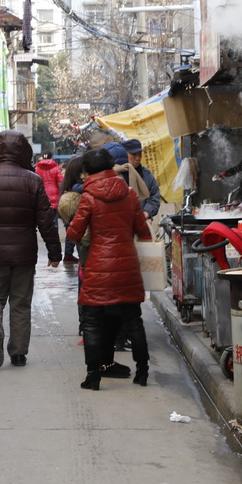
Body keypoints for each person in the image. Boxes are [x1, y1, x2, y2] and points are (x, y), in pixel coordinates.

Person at [0, 130, 62, 368]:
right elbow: (46, 219)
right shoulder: (33, 179)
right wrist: (55, 253)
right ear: (23, 151)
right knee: (20, 302)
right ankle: (18, 353)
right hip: (24, 254)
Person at [66, 147, 152, 390]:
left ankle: (93, 376)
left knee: (92, 322)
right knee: (134, 321)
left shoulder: (89, 197)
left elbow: (74, 234)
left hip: (98, 268)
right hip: (127, 266)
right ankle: (142, 373)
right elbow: (143, 231)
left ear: (88, 172)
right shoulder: (130, 194)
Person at [121, 139, 162, 220]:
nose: (138, 158)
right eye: (134, 154)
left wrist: (146, 212)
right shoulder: (117, 173)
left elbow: (154, 197)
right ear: (124, 154)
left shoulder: (146, 175)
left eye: (140, 154)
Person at [59, 156, 86, 263]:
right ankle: (68, 254)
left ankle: (68, 254)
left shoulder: (66, 183)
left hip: (67, 215)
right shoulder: (80, 189)